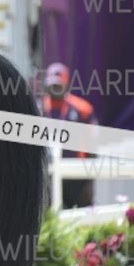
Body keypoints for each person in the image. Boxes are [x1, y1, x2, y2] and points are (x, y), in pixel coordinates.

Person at [40, 62, 97, 208]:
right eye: (52, 85)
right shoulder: (37, 109)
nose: (55, 89)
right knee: (48, 215)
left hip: (76, 175)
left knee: (80, 214)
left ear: (66, 84)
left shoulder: (82, 110)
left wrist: (89, 177)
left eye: (58, 85)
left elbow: (92, 146)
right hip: (47, 174)